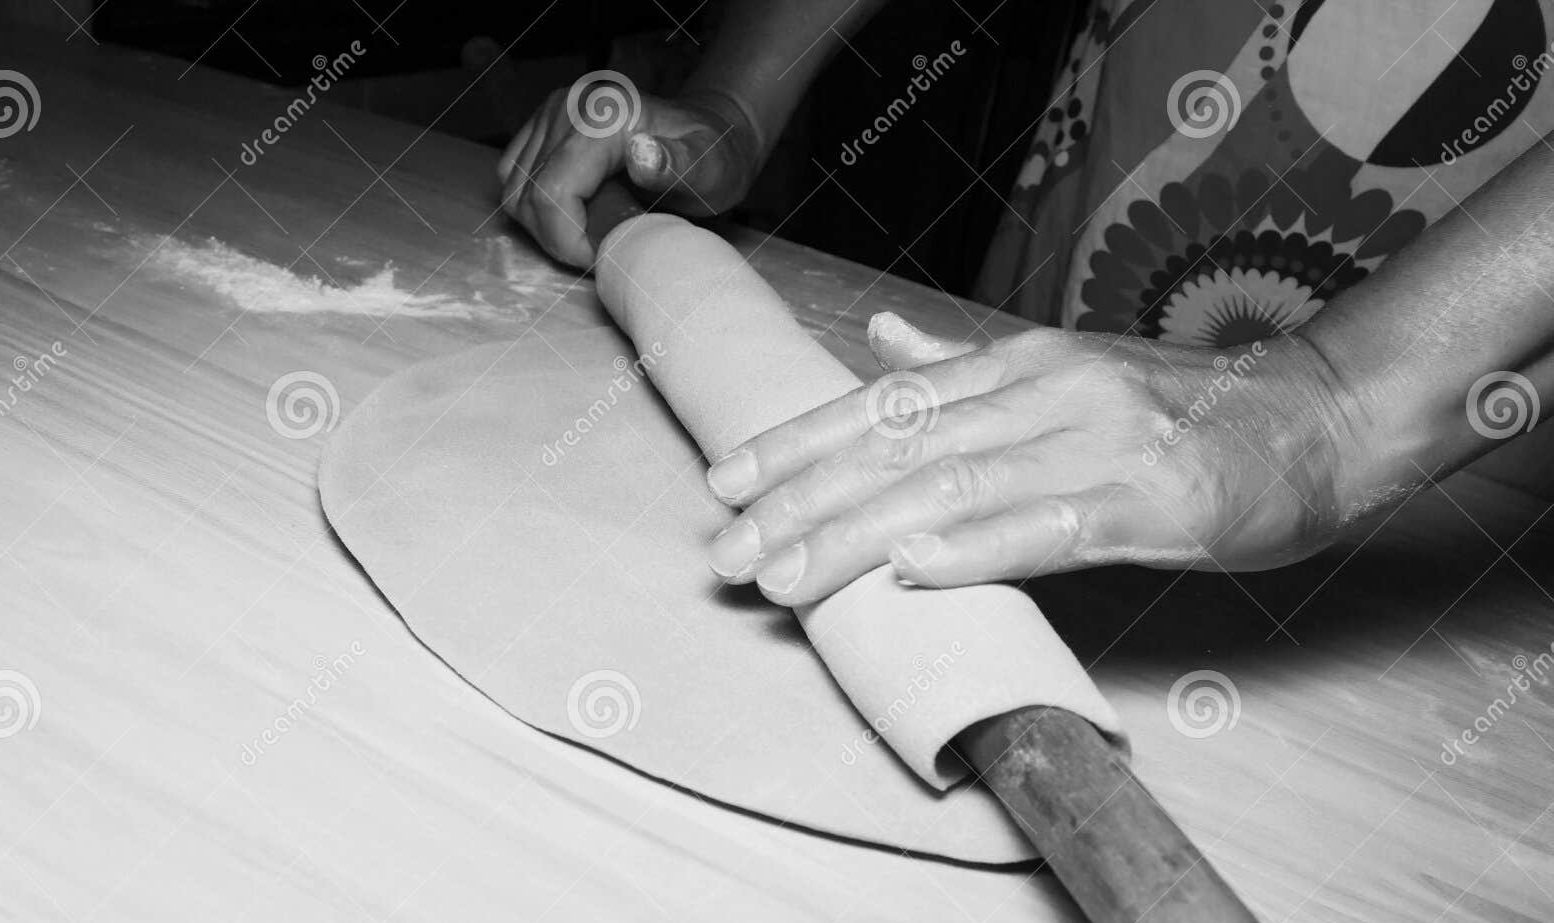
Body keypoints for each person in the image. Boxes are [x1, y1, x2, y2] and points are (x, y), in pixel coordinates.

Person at [497, 0, 1554, 607]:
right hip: (1077, 306)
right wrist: (739, 97)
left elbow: (1342, 418)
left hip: (1458, 470)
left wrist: (1331, 407)